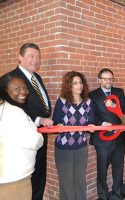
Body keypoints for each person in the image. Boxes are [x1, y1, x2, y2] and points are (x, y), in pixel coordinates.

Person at [8, 43, 53, 200]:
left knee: (39, 178)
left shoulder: (37, 77)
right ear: (20, 57)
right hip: (23, 142)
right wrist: (38, 119)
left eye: (38, 57)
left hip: (40, 136)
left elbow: (40, 105)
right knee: (26, 183)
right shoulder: (9, 80)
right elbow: (11, 111)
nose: (36, 60)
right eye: (31, 56)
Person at [0, 74, 44, 200]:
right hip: (15, 179)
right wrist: (39, 134)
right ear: (4, 90)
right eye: (17, 89)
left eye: (25, 87)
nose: (23, 92)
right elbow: (34, 141)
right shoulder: (15, 112)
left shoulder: (4, 108)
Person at [52, 71, 95, 200]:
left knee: (80, 181)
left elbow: (91, 122)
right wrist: (59, 125)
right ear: (69, 85)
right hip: (63, 148)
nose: (79, 86)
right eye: (75, 83)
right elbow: (56, 121)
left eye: (80, 82)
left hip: (81, 147)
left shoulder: (88, 103)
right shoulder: (62, 102)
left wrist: (92, 127)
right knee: (67, 183)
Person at [89, 68, 125, 200]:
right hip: (102, 139)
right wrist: (101, 124)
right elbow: (90, 116)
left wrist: (115, 105)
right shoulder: (92, 95)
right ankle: (103, 196)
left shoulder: (119, 92)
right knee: (102, 170)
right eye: (105, 79)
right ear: (99, 79)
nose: (109, 81)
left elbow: (124, 110)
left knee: (118, 168)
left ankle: (117, 194)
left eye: (111, 79)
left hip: (119, 138)